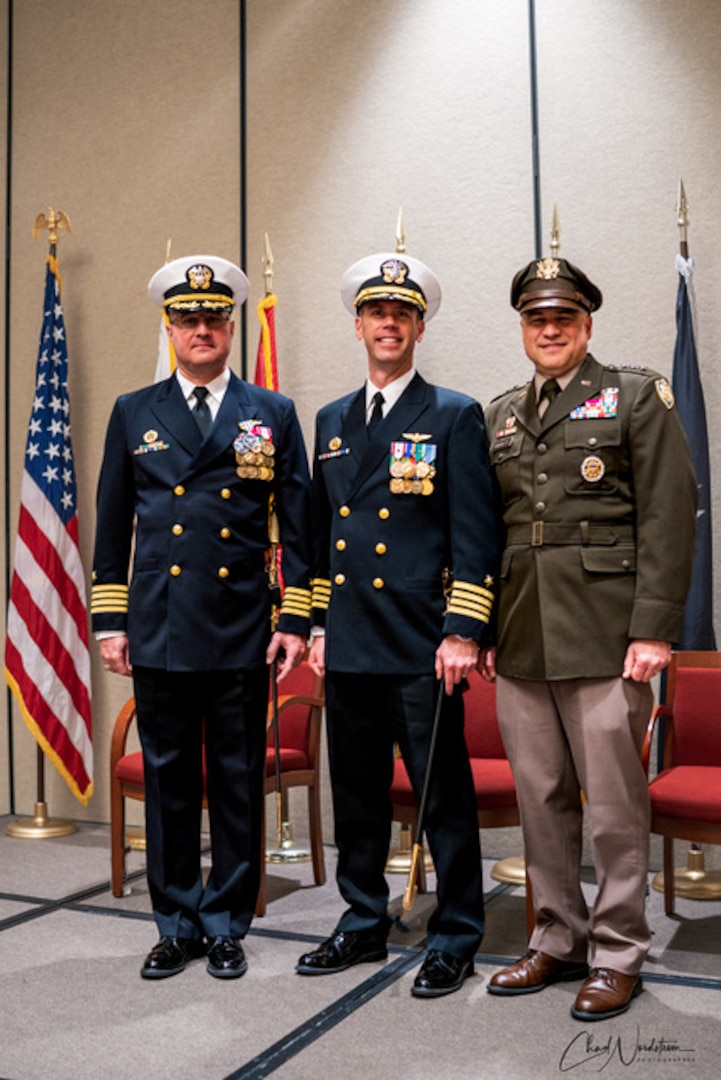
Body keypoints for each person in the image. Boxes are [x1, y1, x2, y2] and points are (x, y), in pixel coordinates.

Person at [481, 256, 697, 1020]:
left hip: (608, 639)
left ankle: (616, 951)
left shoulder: (634, 394)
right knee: (539, 802)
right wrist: (479, 626)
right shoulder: (501, 413)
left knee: (610, 808)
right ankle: (555, 937)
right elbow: (490, 530)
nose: (549, 329)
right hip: (520, 638)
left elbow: (670, 516)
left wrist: (653, 630)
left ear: (585, 324)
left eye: (562, 318)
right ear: (522, 328)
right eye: (537, 319)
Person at [91, 254, 312, 981]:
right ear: (170, 328)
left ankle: (225, 922)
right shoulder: (135, 410)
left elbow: (298, 524)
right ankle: (175, 922)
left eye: (215, 318)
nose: (202, 330)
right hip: (157, 623)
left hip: (241, 623)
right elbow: (113, 521)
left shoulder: (270, 413)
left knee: (237, 776)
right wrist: (110, 621)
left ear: (230, 325)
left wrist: (295, 619)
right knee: (169, 779)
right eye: (187, 320)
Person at [296, 250, 499, 997]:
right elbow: (319, 538)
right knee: (355, 793)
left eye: (402, 314)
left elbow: (476, 534)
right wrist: (317, 624)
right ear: (357, 327)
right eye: (376, 313)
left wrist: (462, 630)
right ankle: (359, 921)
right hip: (349, 639)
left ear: (418, 327)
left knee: (440, 795)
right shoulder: (332, 420)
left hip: (421, 641)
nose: (389, 323)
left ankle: (455, 934)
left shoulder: (450, 414)